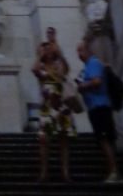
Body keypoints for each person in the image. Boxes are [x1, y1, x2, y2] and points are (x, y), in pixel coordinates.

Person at [76, 40, 123, 184]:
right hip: (96, 108)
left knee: (104, 139)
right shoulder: (89, 66)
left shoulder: (93, 63)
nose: (78, 54)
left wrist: (82, 86)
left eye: (80, 50)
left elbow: (97, 82)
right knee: (103, 139)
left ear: (88, 50)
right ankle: (112, 170)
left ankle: (114, 172)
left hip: (100, 107)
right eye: (77, 51)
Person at [32, 33, 74, 183]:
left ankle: (65, 172)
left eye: (49, 48)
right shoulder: (42, 67)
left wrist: (59, 51)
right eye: (45, 49)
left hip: (61, 106)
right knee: (44, 140)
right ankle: (44, 173)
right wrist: (40, 55)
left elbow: (66, 69)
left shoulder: (58, 65)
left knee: (63, 140)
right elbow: (34, 70)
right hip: (47, 106)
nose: (48, 50)